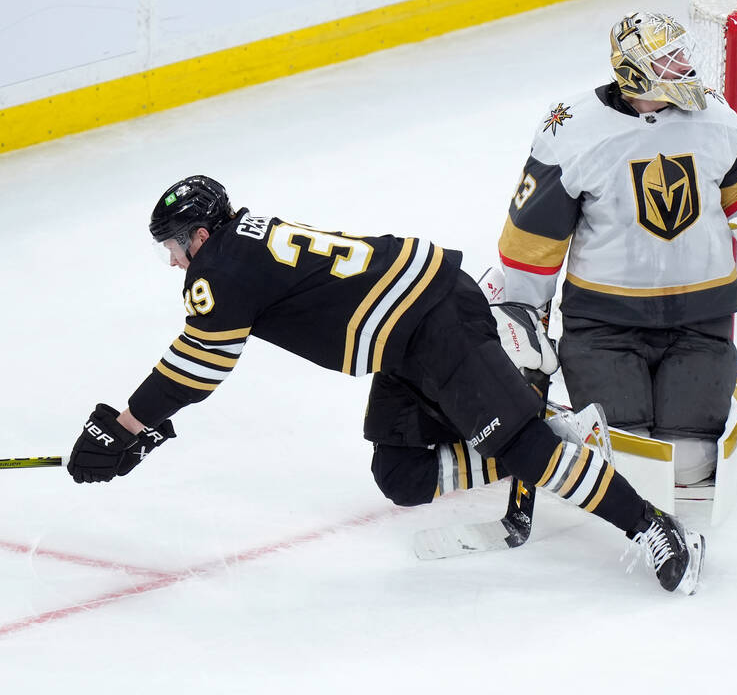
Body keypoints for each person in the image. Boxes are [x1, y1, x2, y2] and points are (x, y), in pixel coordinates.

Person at [66, 175, 705, 595]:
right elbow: (201, 362)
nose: (175, 262)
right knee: (401, 477)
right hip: (405, 340)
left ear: (199, 235)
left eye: (174, 248)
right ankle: (533, 430)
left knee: (525, 448)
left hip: (436, 322)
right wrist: (142, 425)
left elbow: (196, 365)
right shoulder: (241, 244)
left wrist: (126, 426)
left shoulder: (220, 268)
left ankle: (652, 525)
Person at [496, 11, 737, 487]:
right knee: (630, 470)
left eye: (683, 54)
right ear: (634, 70)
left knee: (689, 467)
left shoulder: (714, 116)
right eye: (670, 58)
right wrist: (524, 311)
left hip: (699, 321)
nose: (685, 65)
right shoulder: (572, 128)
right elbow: (535, 236)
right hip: (604, 326)